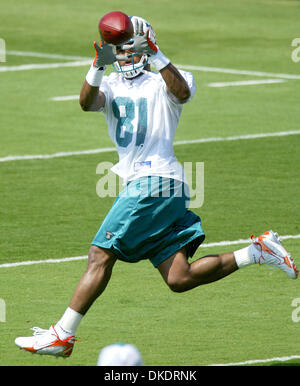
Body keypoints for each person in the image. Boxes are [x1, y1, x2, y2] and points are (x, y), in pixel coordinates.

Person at [15, 15, 298, 358]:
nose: (125, 58)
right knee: (179, 278)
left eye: (132, 50)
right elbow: (86, 102)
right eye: (119, 52)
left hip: (156, 181)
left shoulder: (165, 80)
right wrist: (96, 65)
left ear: (147, 48)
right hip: (161, 188)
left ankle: (62, 334)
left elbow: (181, 91)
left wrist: (157, 54)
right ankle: (258, 252)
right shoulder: (113, 85)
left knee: (100, 254)